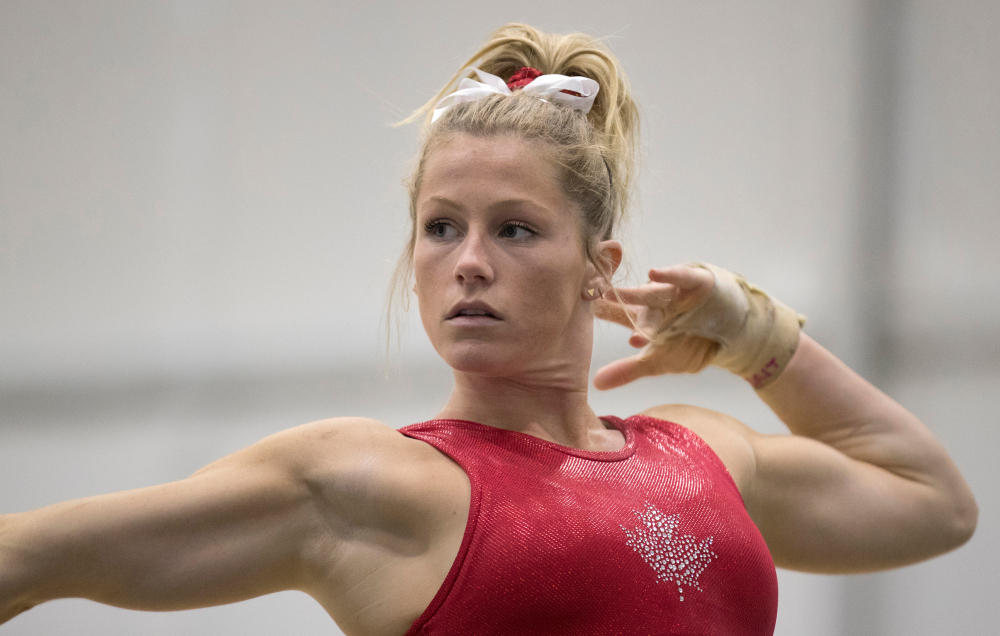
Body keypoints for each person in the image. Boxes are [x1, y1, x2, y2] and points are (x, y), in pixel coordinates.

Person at [0, 23, 977, 636]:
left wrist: (760, 336)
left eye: (514, 229)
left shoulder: (705, 454)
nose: (468, 259)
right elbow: (25, 557)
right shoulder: (367, 483)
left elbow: (934, 504)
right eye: (440, 228)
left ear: (601, 272)